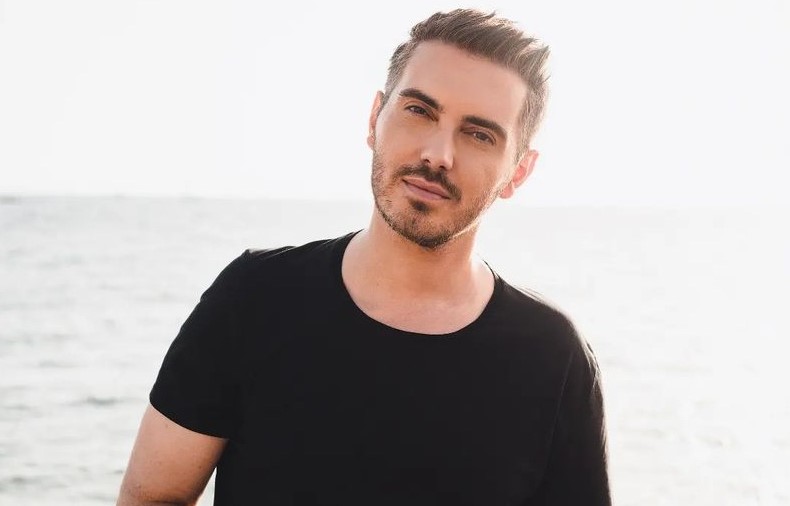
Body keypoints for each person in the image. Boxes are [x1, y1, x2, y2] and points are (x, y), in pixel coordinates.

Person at [117, 8, 610, 506]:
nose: (438, 154)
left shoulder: (554, 356)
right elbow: (152, 498)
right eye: (419, 110)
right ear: (375, 118)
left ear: (518, 172)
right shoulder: (254, 299)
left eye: (479, 134)